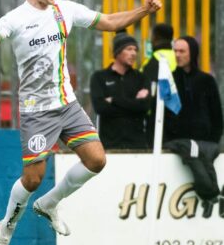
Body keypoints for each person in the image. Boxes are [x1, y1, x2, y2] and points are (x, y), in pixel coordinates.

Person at [0, 0, 161, 245]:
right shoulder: (15, 19)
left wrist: (143, 11)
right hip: (36, 111)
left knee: (97, 159)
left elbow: (109, 22)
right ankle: (6, 228)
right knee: (33, 179)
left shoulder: (65, 9)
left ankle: (50, 203)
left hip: (66, 104)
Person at [163, 36, 223, 216]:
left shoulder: (206, 80)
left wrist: (214, 139)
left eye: (182, 51)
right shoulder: (169, 80)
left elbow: (216, 114)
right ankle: (211, 194)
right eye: (176, 51)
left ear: (192, 53)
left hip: (206, 142)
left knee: (203, 161)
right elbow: (163, 113)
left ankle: (211, 194)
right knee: (193, 155)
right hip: (179, 142)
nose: (177, 54)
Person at [90, 32, 150, 150]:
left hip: (137, 146)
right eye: (129, 49)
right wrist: (133, 104)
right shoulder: (99, 77)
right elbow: (100, 108)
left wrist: (114, 100)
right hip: (109, 146)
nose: (133, 53)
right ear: (117, 52)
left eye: (135, 50)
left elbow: (144, 107)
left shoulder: (141, 78)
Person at [141, 23, 175, 145]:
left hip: (157, 118)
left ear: (154, 37)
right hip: (178, 113)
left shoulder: (152, 62)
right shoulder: (179, 57)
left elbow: (148, 91)